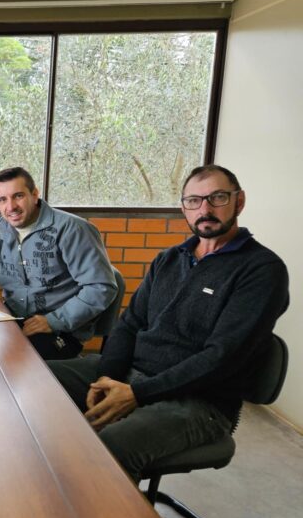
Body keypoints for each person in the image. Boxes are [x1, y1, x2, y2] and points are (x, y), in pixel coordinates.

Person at [48, 165, 289, 482]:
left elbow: (222, 356)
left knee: (109, 447)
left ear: (238, 201)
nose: (205, 209)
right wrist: (107, 379)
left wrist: (136, 394)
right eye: (194, 200)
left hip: (201, 401)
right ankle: (50, 488)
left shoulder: (261, 270)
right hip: (134, 377)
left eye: (217, 197)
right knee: (34, 384)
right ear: (184, 208)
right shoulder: (169, 259)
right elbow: (130, 324)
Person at [0, 166, 117, 360]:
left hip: (58, 331)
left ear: (35, 194)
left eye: (18, 196)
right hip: (14, 319)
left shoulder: (72, 230)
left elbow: (101, 287)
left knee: (6, 363)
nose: (10, 207)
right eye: (2, 200)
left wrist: (53, 321)